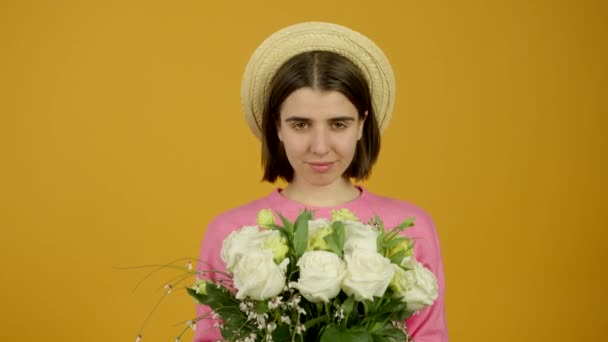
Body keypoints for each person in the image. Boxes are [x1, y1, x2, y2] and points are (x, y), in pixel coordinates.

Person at [194, 22, 448, 341]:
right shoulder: (230, 234)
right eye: (301, 124)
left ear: (361, 125)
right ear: (277, 127)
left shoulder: (411, 227)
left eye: (338, 124)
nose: (320, 146)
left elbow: (429, 335)